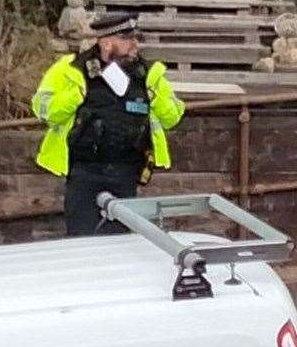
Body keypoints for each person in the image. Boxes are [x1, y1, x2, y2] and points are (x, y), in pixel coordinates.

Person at [32, 12, 185, 236]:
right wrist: (76, 94)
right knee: (81, 242)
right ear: (106, 42)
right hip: (84, 173)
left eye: (136, 38)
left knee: (121, 246)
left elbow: (173, 118)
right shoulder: (71, 69)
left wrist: (155, 95)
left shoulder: (149, 74)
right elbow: (44, 112)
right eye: (127, 38)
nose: (135, 44)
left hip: (126, 175)